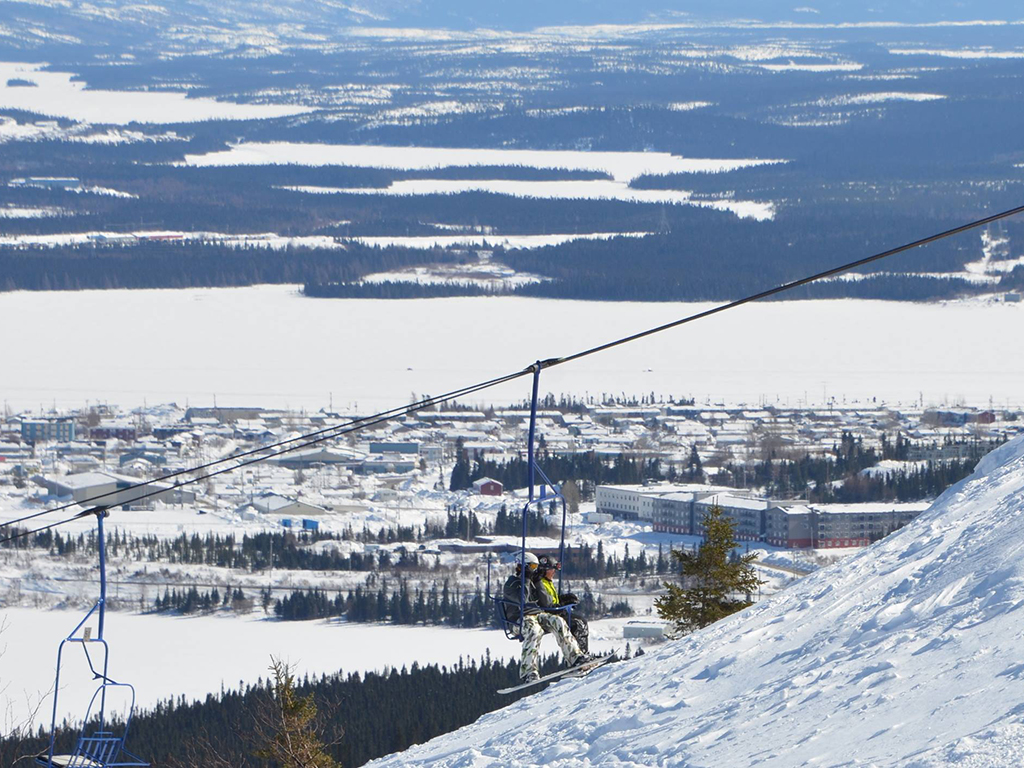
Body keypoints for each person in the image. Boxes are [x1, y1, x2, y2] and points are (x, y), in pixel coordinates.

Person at [503, 552, 586, 683]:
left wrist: (537, 581)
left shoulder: (532, 583)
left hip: (536, 614)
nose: (535, 569)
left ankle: (575, 657)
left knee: (558, 621)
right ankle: (528, 672)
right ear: (523, 567)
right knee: (535, 630)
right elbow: (522, 599)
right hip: (519, 620)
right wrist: (526, 580)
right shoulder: (511, 584)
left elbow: (545, 601)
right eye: (533, 566)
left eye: (536, 566)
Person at [535, 555, 589, 654]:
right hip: (551, 614)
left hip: (555, 612)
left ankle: (581, 653)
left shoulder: (547, 582)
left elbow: (552, 600)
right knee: (578, 624)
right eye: (552, 569)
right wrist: (561, 605)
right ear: (544, 570)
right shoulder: (540, 584)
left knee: (581, 621)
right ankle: (579, 654)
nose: (554, 572)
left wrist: (565, 599)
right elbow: (546, 604)